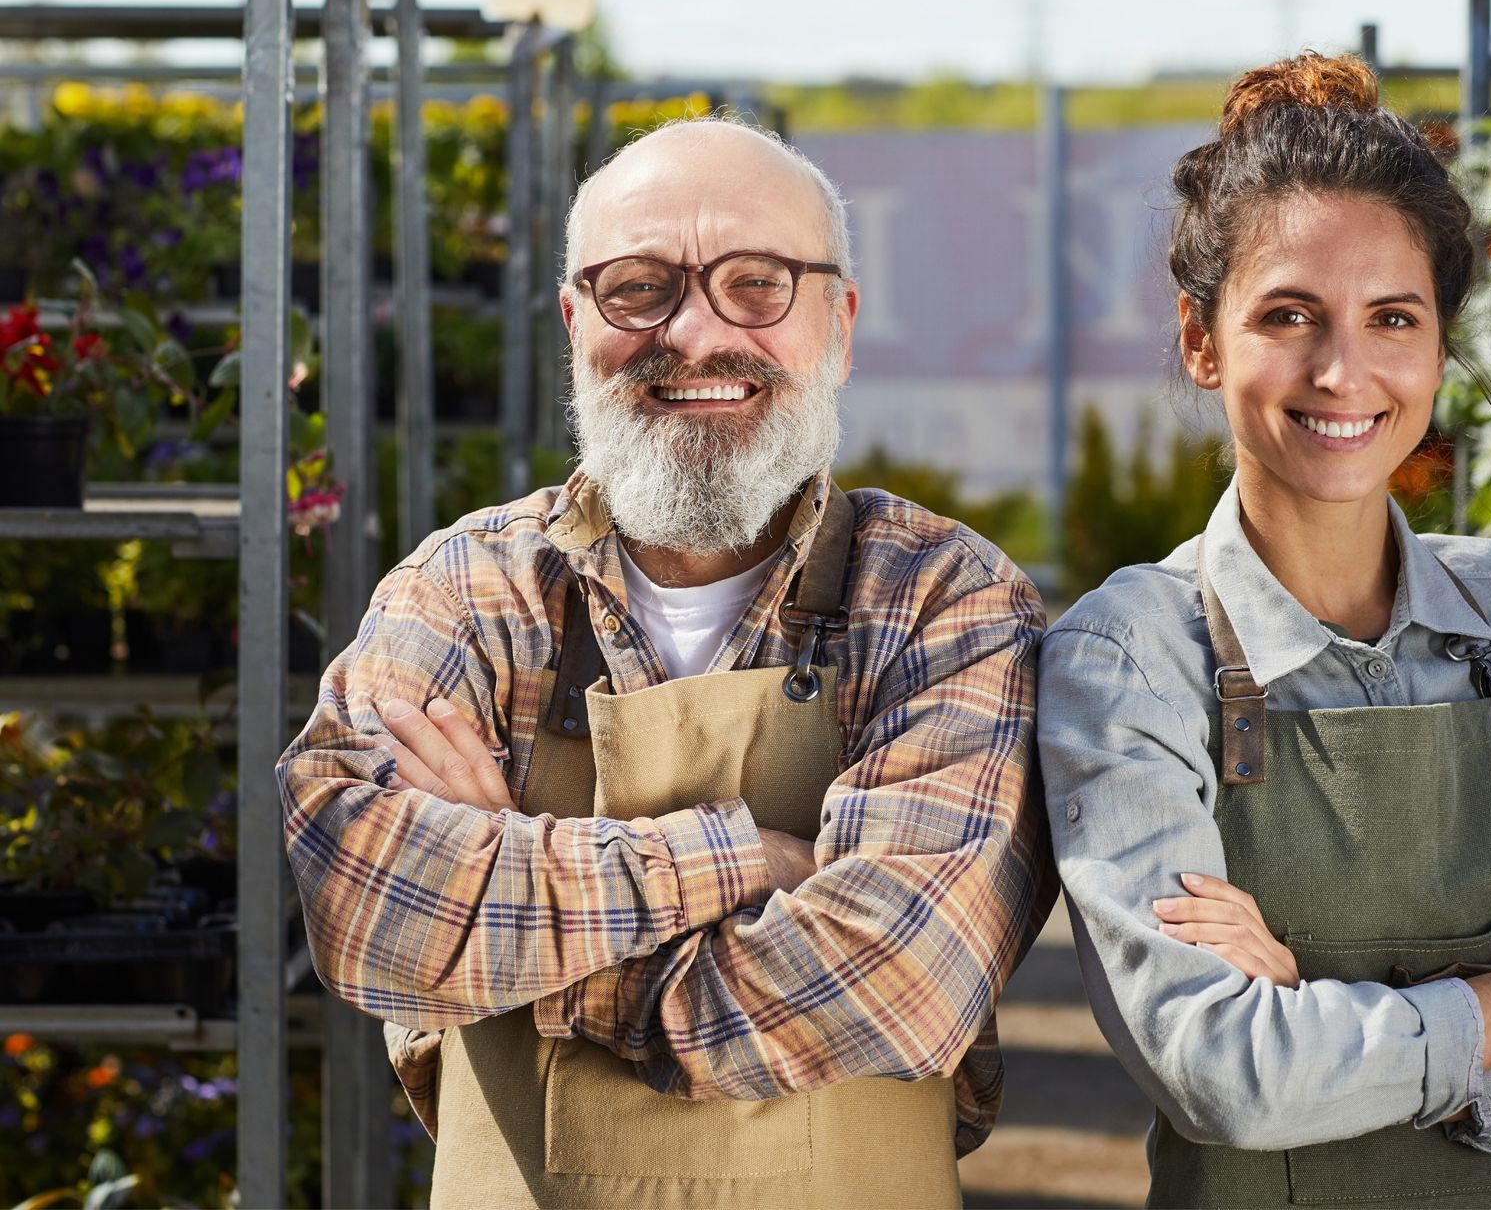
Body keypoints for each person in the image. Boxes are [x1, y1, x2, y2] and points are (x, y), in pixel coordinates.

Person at [278, 117, 1053, 1209]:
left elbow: (892, 982)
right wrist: (748, 859)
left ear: (839, 325)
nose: (692, 332)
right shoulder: (469, 587)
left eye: (757, 283)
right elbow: (367, 908)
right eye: (638, 286)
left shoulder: (939, 599)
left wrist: (510, 933)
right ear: (573, 324)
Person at [1038, 54, 1491, 1210]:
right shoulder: (1131, 655)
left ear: (1440, 347)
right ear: (1204, 341)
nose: (1342, 371)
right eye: (1288, 315)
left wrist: (1327, 1020)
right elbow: (1226, 1075)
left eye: (1391, 317)